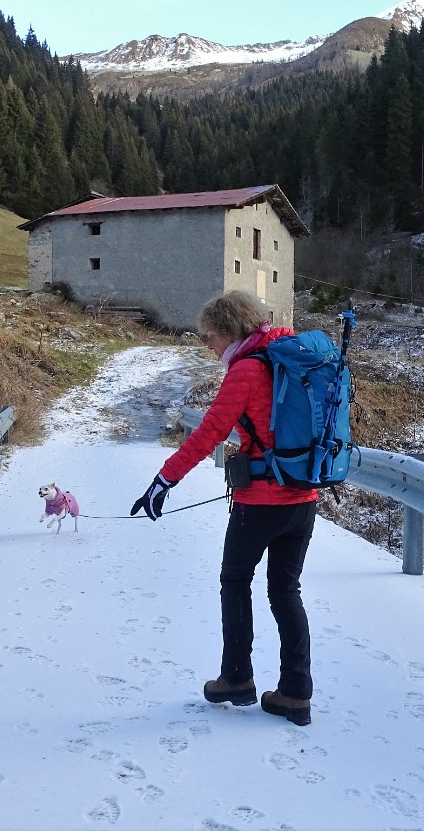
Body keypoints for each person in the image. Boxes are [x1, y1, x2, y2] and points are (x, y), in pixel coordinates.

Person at [131, 290, 318, 726]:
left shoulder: (247, 370)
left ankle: (236, 678)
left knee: (235, 580)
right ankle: (296, 693)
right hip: (304, 499)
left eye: (209, 336)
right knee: (286, 592)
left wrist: (164, 480)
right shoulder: (292, 361)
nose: (208, 346)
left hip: (260, 502)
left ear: (229, 330)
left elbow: (208, 433)